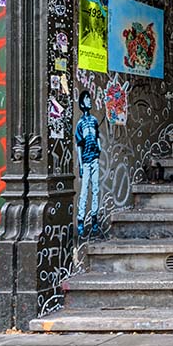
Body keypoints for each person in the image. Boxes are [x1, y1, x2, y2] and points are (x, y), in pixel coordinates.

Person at [74, 91, 102, 238]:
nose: (89, 101)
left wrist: (99, 147)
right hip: (85, 161)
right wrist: (79, 164)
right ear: (82, 103)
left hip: (94, 158)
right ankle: (80, 219)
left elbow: (97, 136)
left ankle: (94, 217)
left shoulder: (94, 121)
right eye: (86, 99)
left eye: (89, 98)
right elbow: (79, 146)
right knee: (84, 191)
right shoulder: (80, 124)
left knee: (95, 189)